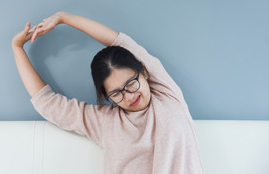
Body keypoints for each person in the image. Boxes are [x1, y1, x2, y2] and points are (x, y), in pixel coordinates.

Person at [11, 11, 205, 174]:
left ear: (144, 71)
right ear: (107, 96)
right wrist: (17, 47)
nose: (129, 96)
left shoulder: (167, 93)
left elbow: (120, 41)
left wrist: (64, 17)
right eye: (116, 93)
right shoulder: (105, 122)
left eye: (131, 83)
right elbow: (48, 103)